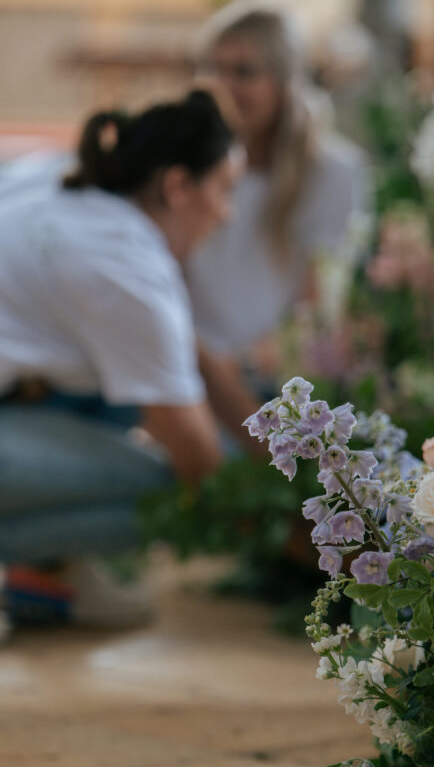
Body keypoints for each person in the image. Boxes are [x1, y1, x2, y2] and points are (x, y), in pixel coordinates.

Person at [0, 89, 257, 628]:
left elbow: (185, 360)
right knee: (176, 492)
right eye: (224, 189)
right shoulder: (127, 269)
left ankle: (55, 571)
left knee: (127, 391)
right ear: (178, 185)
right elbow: (201, 468)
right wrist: (312, 539)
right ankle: (36, 571)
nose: (227, 214)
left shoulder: (63, 179)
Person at [186, 6, 368, 371]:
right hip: (186, 365)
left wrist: (242, 365)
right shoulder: (184, 165)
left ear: (285, 80)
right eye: (213, 68)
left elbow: (318, 304)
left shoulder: (333, 171)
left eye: (244, 72)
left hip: (273, 379)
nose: (223, 86)